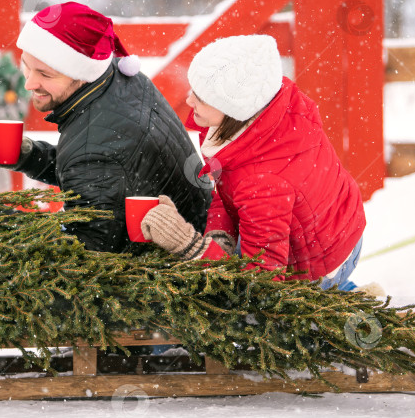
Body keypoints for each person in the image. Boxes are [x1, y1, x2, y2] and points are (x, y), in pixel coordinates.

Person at [0, 2, 211, 253]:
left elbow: (84, 254)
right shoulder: (118, 80)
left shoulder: (97, 148)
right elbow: (102, 177)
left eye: (45, 74)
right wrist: (30, 157)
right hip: (200, 229)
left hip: (168, 276)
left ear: (79, 72)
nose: (29, 83)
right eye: (26, 66)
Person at [140, 34, 366, 289]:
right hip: (333, 221)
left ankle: (332, 292)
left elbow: (259, 285)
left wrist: (187, 244)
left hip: (321, 256)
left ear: (233, 108)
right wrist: (220, 235)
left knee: (243, 312)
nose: (189, 100)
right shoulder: (252, 115)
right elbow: (228, 188)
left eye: (201, 98)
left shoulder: (263, 182)